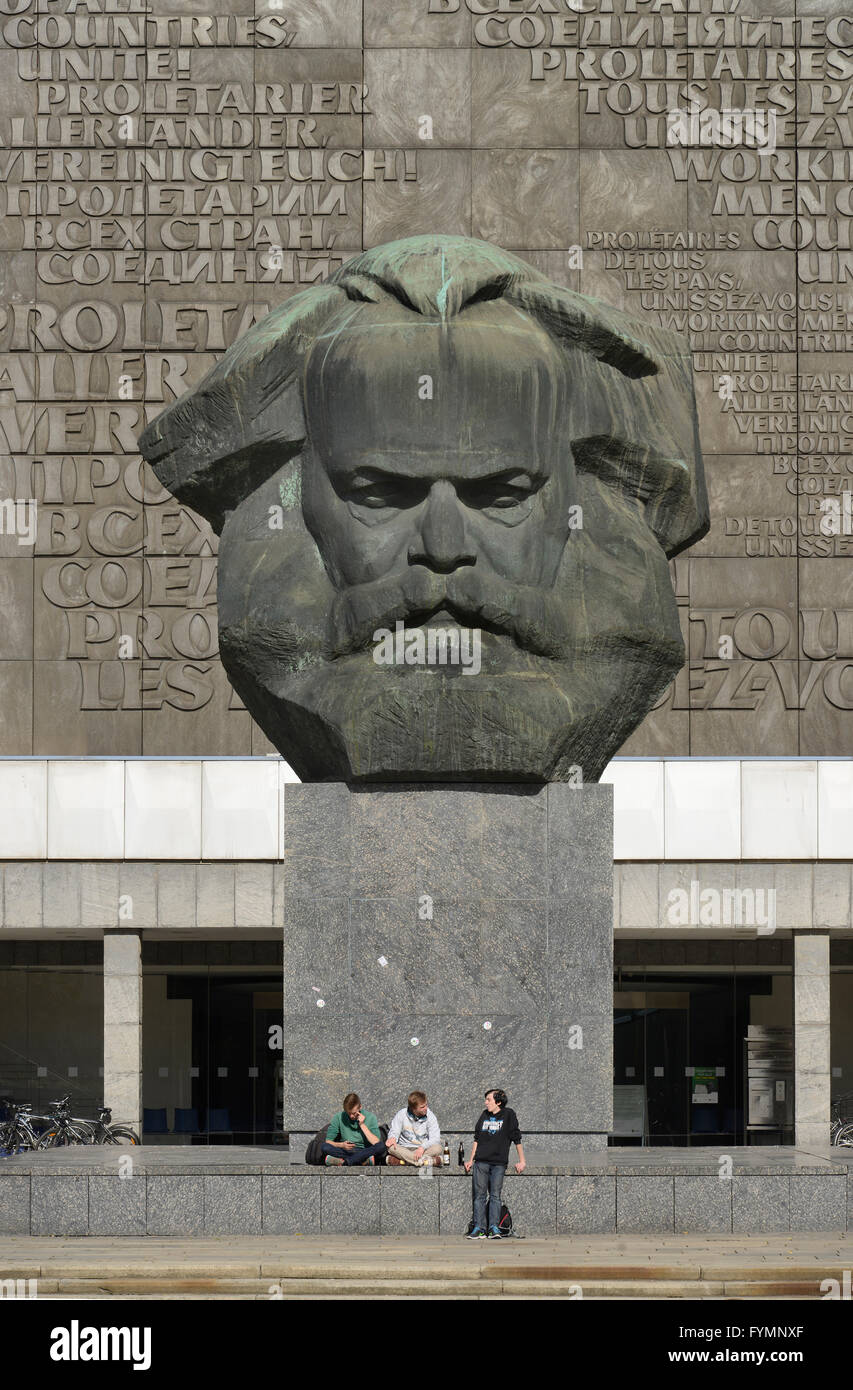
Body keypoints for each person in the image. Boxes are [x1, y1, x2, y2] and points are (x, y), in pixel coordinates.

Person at [463, 1088, 526, 1239]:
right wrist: (471, 1160)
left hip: (498, 1163)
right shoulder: (484, 1115)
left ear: (498, 1102)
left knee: (495, 1196)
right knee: (479, 1196)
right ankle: (479, 1228)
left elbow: (516, 1138)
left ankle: (493, 1228)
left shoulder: (508, 1114)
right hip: (481, 1162)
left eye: (489, 1100)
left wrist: (522, 1160)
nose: (486, 1103)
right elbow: (477, 1139)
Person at [321, 1092, 386, 1166]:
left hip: (364, 1151)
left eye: (354, 1113)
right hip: (345, 1150)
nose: (351, 1116)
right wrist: (342, 1145)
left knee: (381, 1147)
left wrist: (362, 1124)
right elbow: (328, 1141)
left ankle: (346, 1161)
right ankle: (360, 1161)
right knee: (324, 1147)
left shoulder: (371, 1117)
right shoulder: (338, 1117)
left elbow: (376, 1142)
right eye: (349, 1113)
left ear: (360, 1107)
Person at [386, 1090, 443, 1166]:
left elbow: (435, 1138)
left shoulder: (430, 1116)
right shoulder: (402, 1114)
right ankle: (426, 1161)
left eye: (426, 1105)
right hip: (405, 1149)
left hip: (423, 1149)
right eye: (422, 1107)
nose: (426, 1108)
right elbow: (394, 1131)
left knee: (438, 1148)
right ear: (413, 1108)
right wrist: (392, 1137)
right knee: (391, 1148)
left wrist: (422, 1147)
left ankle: (406, 1161)